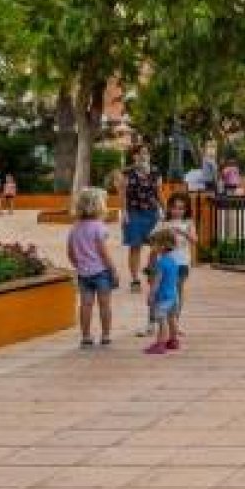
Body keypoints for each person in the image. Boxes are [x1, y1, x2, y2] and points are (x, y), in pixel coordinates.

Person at [66, 187, 118, 348]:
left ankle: (86, 336)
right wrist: (113, 270)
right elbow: (103, 252)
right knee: (105, 305)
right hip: (101, 272)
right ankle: (106, 335)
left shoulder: (74, 228)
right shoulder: (99, 227)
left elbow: (70, 252)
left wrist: (79, 265)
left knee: (85, 305)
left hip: (83, 274)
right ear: (100, 206)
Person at [121, 147, 162, 293]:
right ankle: (135, 279)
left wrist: (163, 210)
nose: (144, 155)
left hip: (152, 212)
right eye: (141, 153)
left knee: (156, 245)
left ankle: (150, 268)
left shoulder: (155, 171)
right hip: (134, 212)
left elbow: (159, 192)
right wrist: (124, 212)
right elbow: (123, 194)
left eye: (146, 152)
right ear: (134, 156)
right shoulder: (127, 172)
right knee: (135, 246)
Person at [159, 190, 197, 343]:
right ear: (169, 208)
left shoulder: (188, 223)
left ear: (186, 209)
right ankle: (168, 321)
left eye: (181, 208)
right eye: (174, 207)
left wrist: (183, 232)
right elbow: (154, 240)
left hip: (181, 262)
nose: (177, 211)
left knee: (177, 291)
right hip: (167, 263)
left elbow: (195, 240)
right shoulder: (164, 222)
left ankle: (175, 321)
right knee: (168, 292)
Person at [142, 229, 182, 354]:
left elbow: (156, 282)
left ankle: (160, 343)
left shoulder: (161, 263)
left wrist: (151, 295)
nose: (152, 247)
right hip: (174, 295)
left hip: (163, 297)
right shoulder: (173, 261)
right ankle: (174, 340)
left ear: (162, 246)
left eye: (154, 244)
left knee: (161, 320)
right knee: (172, 318)